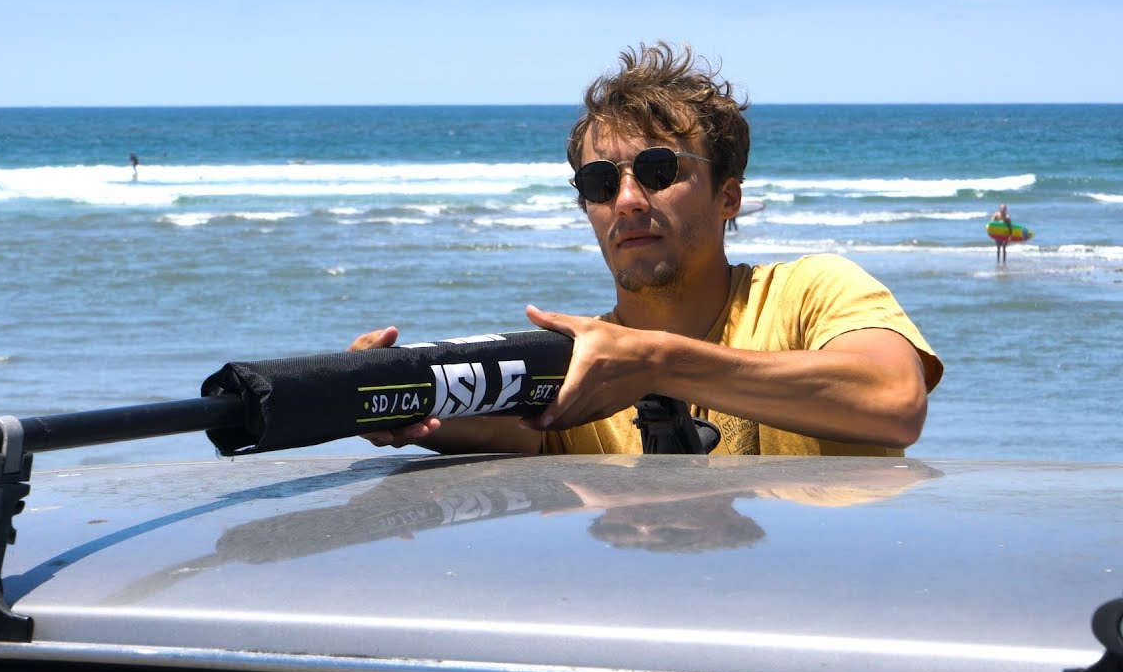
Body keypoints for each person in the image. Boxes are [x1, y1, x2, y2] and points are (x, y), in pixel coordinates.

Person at [349, 41, 943, 457]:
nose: (628, 200)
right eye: (601, 182)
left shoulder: (811, 291)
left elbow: (892, 399)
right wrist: (382, 396)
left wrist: (659, 362)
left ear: (728, 197)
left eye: (660, 171)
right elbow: (493, 427)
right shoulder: (586, 367)